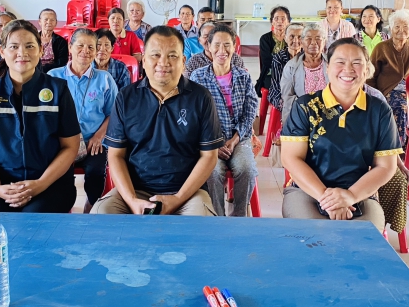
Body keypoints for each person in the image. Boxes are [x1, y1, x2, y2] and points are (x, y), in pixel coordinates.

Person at [91, 26, 224, 216]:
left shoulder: (201, 98)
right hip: (136, 189)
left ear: (183, 61)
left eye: (172, 55)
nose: (163, 63)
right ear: (144, 60)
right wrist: (131, 200)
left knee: (199, 225)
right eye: (155, 55)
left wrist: (178, 199)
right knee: (101, 215)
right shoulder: (126, 97)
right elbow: (115, 155)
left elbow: (209, 156)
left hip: (187, 193)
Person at [280, 38, 401, 231]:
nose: (348, 69)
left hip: (360, 193)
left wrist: (350, 196)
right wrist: (327, 199)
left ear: (366, 69)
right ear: (327, 68)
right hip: (307, 191)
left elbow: (386, 167)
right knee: (315, 237)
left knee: (362, 240)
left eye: (357, 63)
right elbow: (291, 158)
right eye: (340, 62)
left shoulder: (379, 111)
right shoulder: (305, 106)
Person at [0, 20, 81, 213]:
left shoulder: (58, 90)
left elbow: (70, 147)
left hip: (50, 181)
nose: (22, 53)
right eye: (14, 47)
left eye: (30, 46)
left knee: (33, 225)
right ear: (2, 52)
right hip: (2, 181)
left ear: (40, 50)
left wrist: (40, 184)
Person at [190, 25, 259, 217]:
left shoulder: (243, 76)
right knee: (212, 172)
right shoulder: (198, 77)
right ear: (208, 47)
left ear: (235, 47)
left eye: (227, 45)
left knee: (246, 169)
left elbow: (250, 110)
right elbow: (196, 115)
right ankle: (218, 219)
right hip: (210, 141)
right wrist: (214, 143)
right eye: (217, 45)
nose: (222, 50)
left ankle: (239, 217)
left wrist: (235, 138)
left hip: (239, 138)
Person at [48, 29, 119, 213]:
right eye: (80, 45)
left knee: (96, 173)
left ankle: (90, 204)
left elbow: (114, 113)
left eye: (91, 47)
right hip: (61, 142)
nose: (85, 51)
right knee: (61, 176)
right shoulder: (53, 77)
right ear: (70, 48)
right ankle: (65, 205)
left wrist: (98, 136)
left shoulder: (104, 79)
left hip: (93, 141)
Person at [367, 9, 409, 151]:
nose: (401, 30)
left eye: (406, 26)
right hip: (386, 89)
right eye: (397, 26)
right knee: (398, 105)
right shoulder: (381, 48)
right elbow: (371, 75)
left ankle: (399, 146)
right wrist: (373, 95)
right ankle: (395, 146)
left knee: (404, 104)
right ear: (391, 28)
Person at [279, 23, 327, 123]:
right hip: (302, 116)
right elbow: (288, 98)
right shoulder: (291, 66)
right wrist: (309, 111)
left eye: (318, 38)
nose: (313, 42)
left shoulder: (333, 63)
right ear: (302, 41)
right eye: (309, 38)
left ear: (324, 41)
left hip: (329, 114)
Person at [267, 22, 304, 111]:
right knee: (290, 107)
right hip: (280, 93)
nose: (295, 40)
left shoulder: (307, 57)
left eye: (300, 37)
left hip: (302, 94)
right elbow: (278, 85)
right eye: (292, 36)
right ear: (285, 38)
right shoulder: (278, 58)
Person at [255, 6, 290, 95]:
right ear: (272, 21)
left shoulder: (292, 38)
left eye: (283, 19)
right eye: (276, 18)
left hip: (290, 74)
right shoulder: (265, 39)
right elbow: (267, 62)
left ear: (288, 22)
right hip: (271, 75)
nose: (279, 22)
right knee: (280, 87)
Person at [38, 8, 69, 72]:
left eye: (52, 20)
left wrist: (44, 69)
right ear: (40, 22)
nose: (49, 22)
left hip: (52, 72)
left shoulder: (61, 41)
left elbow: (61, 62)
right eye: (46, 19)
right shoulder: (33, 38)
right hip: (33, 71)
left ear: (56, 23)